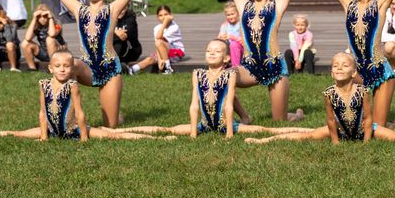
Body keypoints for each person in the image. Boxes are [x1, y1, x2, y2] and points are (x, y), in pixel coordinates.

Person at [18, 0, 181, 127]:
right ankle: (66, 118)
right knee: (71, 64)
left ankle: (117, 117)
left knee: (110, 127)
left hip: (110, 70)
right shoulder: (79, 9)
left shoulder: (112, 9)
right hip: (86, 68)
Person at [246, 52, 395, 146]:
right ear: (330, 73)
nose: (339, 68)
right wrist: (335, 141)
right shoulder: (329, 93)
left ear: (354, 72)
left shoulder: (362, 90)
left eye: (345, 65)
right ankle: (264, 140)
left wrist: (366, 141)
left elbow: (367, 117)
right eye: (335, 65)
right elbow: (330, 120)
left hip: (366, 129)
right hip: (339, 130)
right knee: (304, 135)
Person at [120, 40, 308, 139]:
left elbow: (228, 105)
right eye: (209, 50)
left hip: (227, 125)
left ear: (227, 59)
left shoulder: (229, 75)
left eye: (217, 51)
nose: (211, 53)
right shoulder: (197, 73)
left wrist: (229, 133)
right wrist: (194, 132)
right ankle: (116, 132)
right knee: (167, 129)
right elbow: (194, 105)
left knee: (266, 130)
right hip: (204, 124)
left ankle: (302, 123)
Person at [215, 0, 314, 122]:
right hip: (250, 67)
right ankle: (245, 117)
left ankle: (297, 115)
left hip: (274, 67)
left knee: (279, 121)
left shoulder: (277, 6)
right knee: (223, 76)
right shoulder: (243, 6)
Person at [0, 51, 156, 141]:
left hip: (76, 130)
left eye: (66, 66)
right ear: (50, 68)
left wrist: (84, 137)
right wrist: (44, 137)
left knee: (113, 136)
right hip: (52, 131)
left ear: (72, 69)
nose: (62, 69)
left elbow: (79, 113)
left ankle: (159, 137)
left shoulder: (72, 85)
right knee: (17, 134)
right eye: (58, 66)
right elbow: (42, 113)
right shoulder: (43, 84)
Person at [128, 5, 185, 75]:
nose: (163, 17)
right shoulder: (156, 28)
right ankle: (132, 69)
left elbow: (159, 38)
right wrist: (160, 60)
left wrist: (165, 23)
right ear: (157, 17)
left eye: (166, 14)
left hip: (176, 53)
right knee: (150, 59)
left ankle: (167, 68)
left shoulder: (174, 27)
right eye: (160, 15)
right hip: (163, 52)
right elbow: (157, 45)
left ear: (170, 15)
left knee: (159, 42)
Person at [21, 4, 68, 71]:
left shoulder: (57, 23)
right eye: (39, 17)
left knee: (49, 39)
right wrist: (34, 19)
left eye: (45, 16)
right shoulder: (37, 25)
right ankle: (32, 69)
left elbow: (52, 34)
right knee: (25, 43)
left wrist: (50, 18)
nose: (42, 19)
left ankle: (53, 68)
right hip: (44, 53)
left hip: (59, 52)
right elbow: (27, 38)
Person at [216, 1, 244, 69]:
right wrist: (220, 38)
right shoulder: (225, 25)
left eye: (232, 14)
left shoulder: (241, 24)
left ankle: (235, 68)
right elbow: (219, 37)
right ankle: (219, 67)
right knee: (219, 45)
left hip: (241, 48)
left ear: (238, 13)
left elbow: (243, 41)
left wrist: (231, 37)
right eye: (228, 15)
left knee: (233, 45)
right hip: (228, 48)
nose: (230, 17)